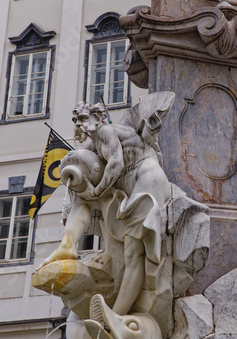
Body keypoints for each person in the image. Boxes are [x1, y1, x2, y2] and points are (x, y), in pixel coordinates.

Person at [43, 100, 172, 317]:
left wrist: (97, 190)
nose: (79, 125)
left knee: (134, 253)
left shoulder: (105, 131)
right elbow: (78, 162)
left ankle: (117, 315)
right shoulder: (94, 142)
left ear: (98, 118)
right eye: (76, 120)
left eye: (83, 119)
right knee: (80, 199)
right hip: (129, 185)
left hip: (147, 178)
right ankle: (67, 244)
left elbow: (116, 164)